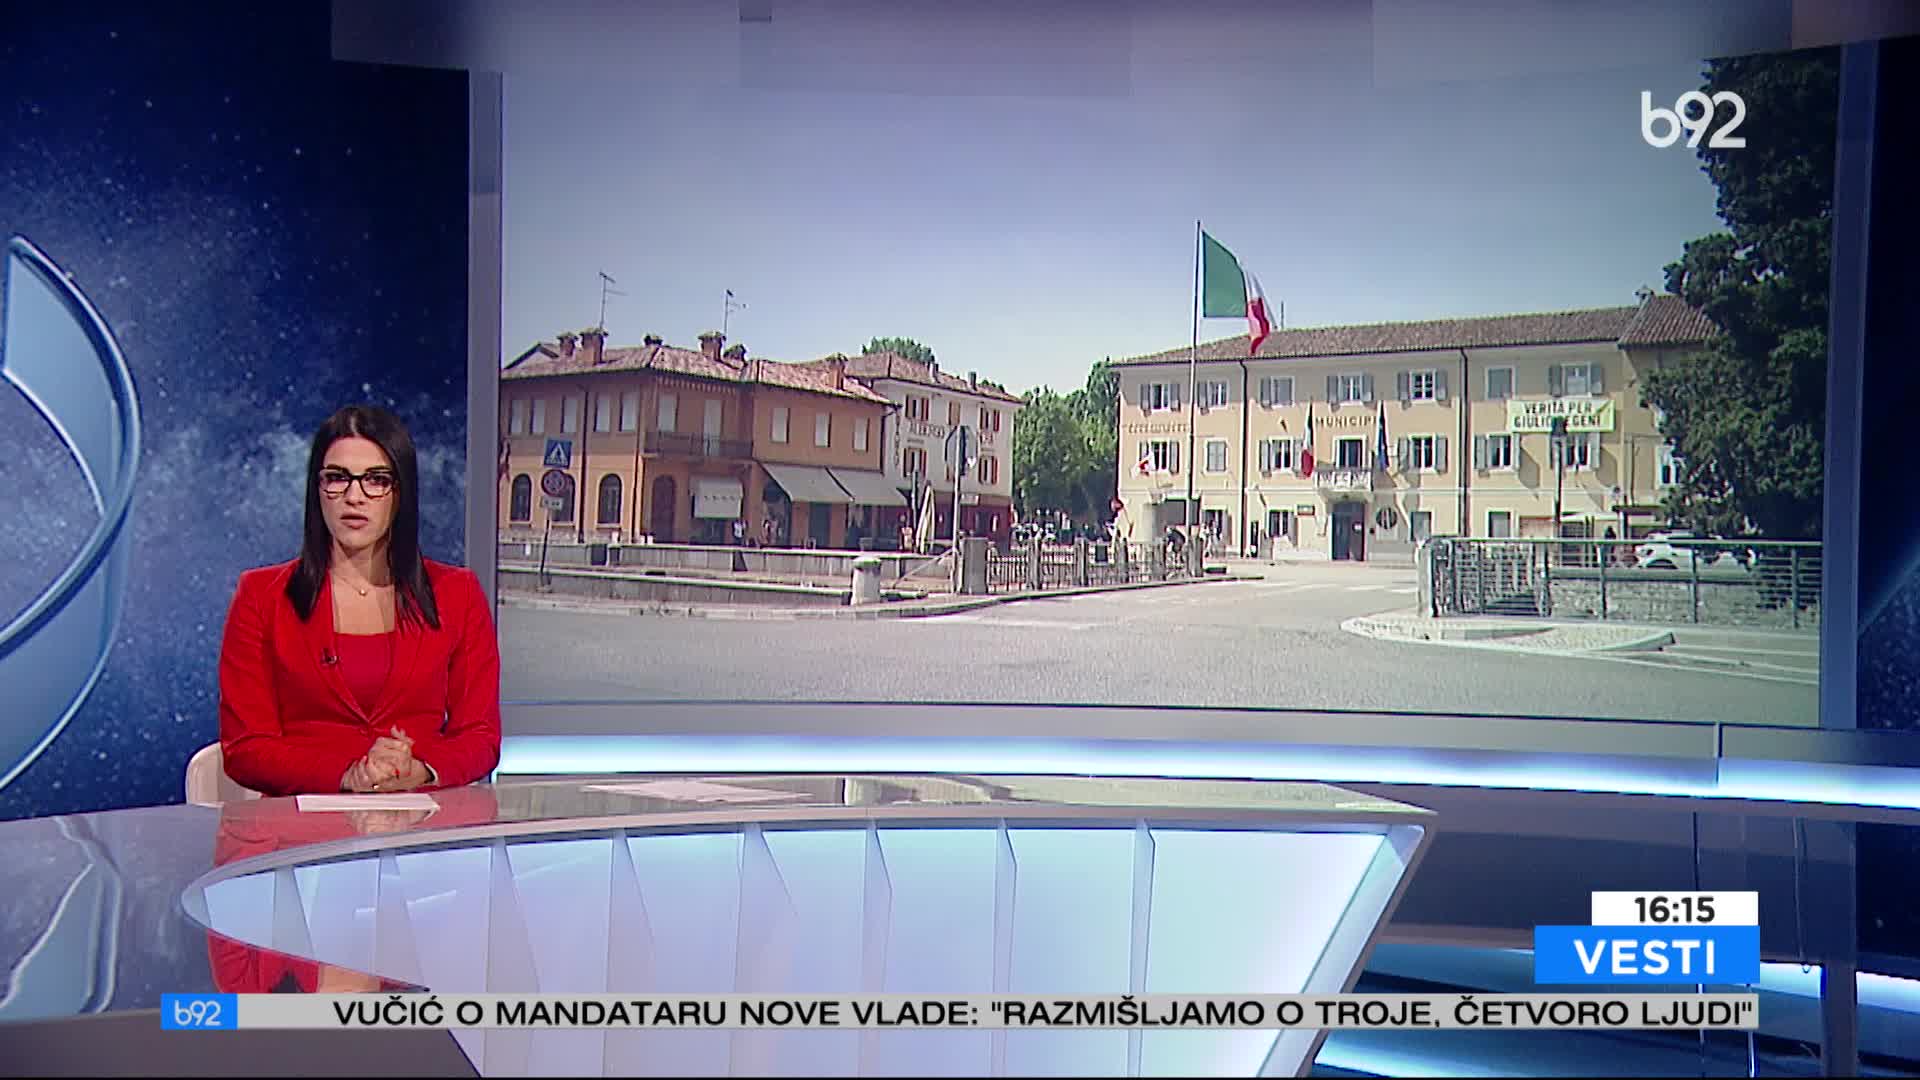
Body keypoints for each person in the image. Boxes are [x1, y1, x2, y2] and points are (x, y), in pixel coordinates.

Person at [217, 405, 501, 797]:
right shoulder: (261, 596)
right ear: (317, 490)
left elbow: (480, 737)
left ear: (400, 493)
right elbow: (246, 749)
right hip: (300, 823)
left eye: (376, 480)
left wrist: (420, 770)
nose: (354, 496)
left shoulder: (457, 593)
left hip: (418, 821)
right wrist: (347, 775)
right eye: (337, 478)